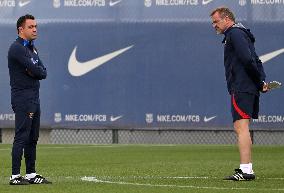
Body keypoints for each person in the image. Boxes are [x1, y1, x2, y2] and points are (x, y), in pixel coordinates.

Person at [210, 7, 269, 181]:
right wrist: (262, 82)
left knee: (241, 128)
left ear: (227, 19)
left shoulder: (234, 34)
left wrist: (259, 82)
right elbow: (256, 60)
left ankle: (246, 171)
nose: (214, 25)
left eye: (216, 21)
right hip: (246, 87)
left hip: (242, 87)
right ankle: (246, 169)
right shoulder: (240, 34)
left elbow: (248, 60)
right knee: (242, 128)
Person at [8, 14, 51, 185]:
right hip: (23, 98)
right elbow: (37, 70)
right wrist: (36, 71)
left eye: (35, 26)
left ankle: (31, 174)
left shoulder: (32, 48)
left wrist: (35, 71)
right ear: (21, 29)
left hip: (34, 96)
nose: (34, 29)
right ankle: (15, 176)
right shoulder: (16, 48)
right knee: (22, 136)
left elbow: (43, 72)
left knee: (33, 137)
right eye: (30, 27)